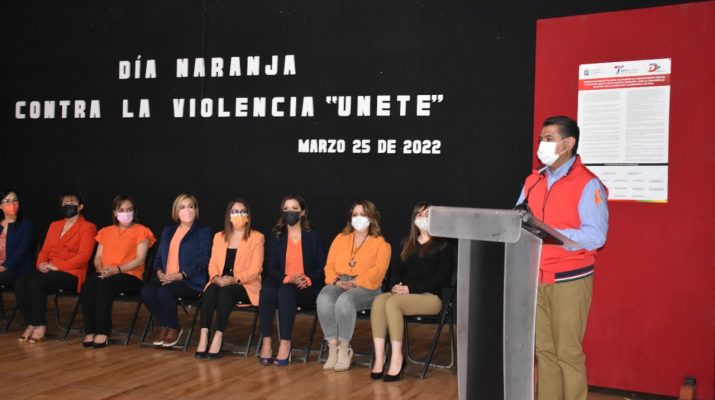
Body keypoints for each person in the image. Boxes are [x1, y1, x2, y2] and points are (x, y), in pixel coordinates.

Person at [516, 116, 609, 400]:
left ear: (568, 144)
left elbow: (596, 235)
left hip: (570, 280)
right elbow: (518, 217)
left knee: (567, 352)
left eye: (549, 139)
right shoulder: (534, 180)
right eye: (541, 139)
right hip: (536, 278)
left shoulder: (588, 184)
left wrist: (554, 234)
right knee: (544, 351)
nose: (541, 145)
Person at [370, 202, 453, 382]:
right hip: (405, 294)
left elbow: (441, 279)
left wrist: (410, 289)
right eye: (419, 215)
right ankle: (380, 357)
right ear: (414, 219)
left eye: (427, 214)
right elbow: (396, 272)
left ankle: (397, 358)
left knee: (393, 303)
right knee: (379, 300)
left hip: (430, 297)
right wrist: (395, 286)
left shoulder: (444, 246)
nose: (423, 218)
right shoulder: (406, 244)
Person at [317, 199, 391, 372]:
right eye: (355, 214)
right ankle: (333, 348)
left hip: (368, 287)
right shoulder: (340, 238)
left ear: (372, 217)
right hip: (340, 281)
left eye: (363, 214)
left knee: (345, 300)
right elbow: (329, 266)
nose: (358, 218)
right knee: (324, 297)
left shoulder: (381, 244)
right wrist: (336, 281)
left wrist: (356, 282)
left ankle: (345, 349)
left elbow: (378, 272)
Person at [15, 191, 97, 343]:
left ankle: (40, 325)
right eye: (65, 203)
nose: (68, 205)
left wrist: (57, 266)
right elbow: (45, 250)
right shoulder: (55, 225)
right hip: (50, 268)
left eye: (72, 203)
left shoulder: (88, 227)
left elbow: (83, 256)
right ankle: (31, 322)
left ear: (80, 207)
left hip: (72, 272)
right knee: (20, 282)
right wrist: (41, 264)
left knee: (36, 283)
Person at [258, 195, 326, 366]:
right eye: (286, 209)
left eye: (295, 209)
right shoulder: (276, 236)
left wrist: (308, 279)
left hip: (306, 284)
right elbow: (270, 266)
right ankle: (267, 341)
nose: (290, 212)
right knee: (267, 290)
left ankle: (285, 342)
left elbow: (322, 265)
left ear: (302, 212)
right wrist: (287, 278)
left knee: (285, 291)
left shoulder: (313, 235)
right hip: (283, 279)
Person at [80, 195, 155, 348]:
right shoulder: (106, 231)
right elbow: (98, 257)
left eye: (129, 210)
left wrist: (117, 270)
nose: (125, 213)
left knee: (103, 286)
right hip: (106, 272)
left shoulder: (142, 231)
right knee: (88, 285)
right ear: (115, 212)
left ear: (134, 212)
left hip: (130, 275)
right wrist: (101, 269)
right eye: (121, 210)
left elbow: (140, 260)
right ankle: (90, 330)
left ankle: (103, 331)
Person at [195, 198, 264, 360]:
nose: (239, 215)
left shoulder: (257, 237)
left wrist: (235, 279)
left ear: (248, 215)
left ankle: (218, 336)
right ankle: (204, 335)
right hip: (220, 280)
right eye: (235, 212)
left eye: (242, 211)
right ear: (228, 215)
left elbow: (256, 269)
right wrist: (214, 277)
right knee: (210, 291)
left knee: (225, 292)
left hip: (244, 284)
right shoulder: (219, 236)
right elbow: (212, 263)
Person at [141, 193, 210, 348]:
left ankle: (172, 327)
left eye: (191, 206)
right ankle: (167, 323)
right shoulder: (168, 230)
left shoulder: (203, 231)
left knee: (164, 292)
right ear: (176, 211)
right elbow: (159, 257)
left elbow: (203, 259)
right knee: (147, 292)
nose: (188, 210)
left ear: (196, 209)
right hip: (166, 277)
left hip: (190, 281)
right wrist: (159, 272)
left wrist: (181, 275)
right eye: (182, 207)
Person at [0, 189, 34, 287]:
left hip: (17, 269)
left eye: (15, 200)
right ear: (1, 206)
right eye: (7, 201)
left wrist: (4, 267)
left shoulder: (26, 225)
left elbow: (20, 251)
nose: (12, 204)